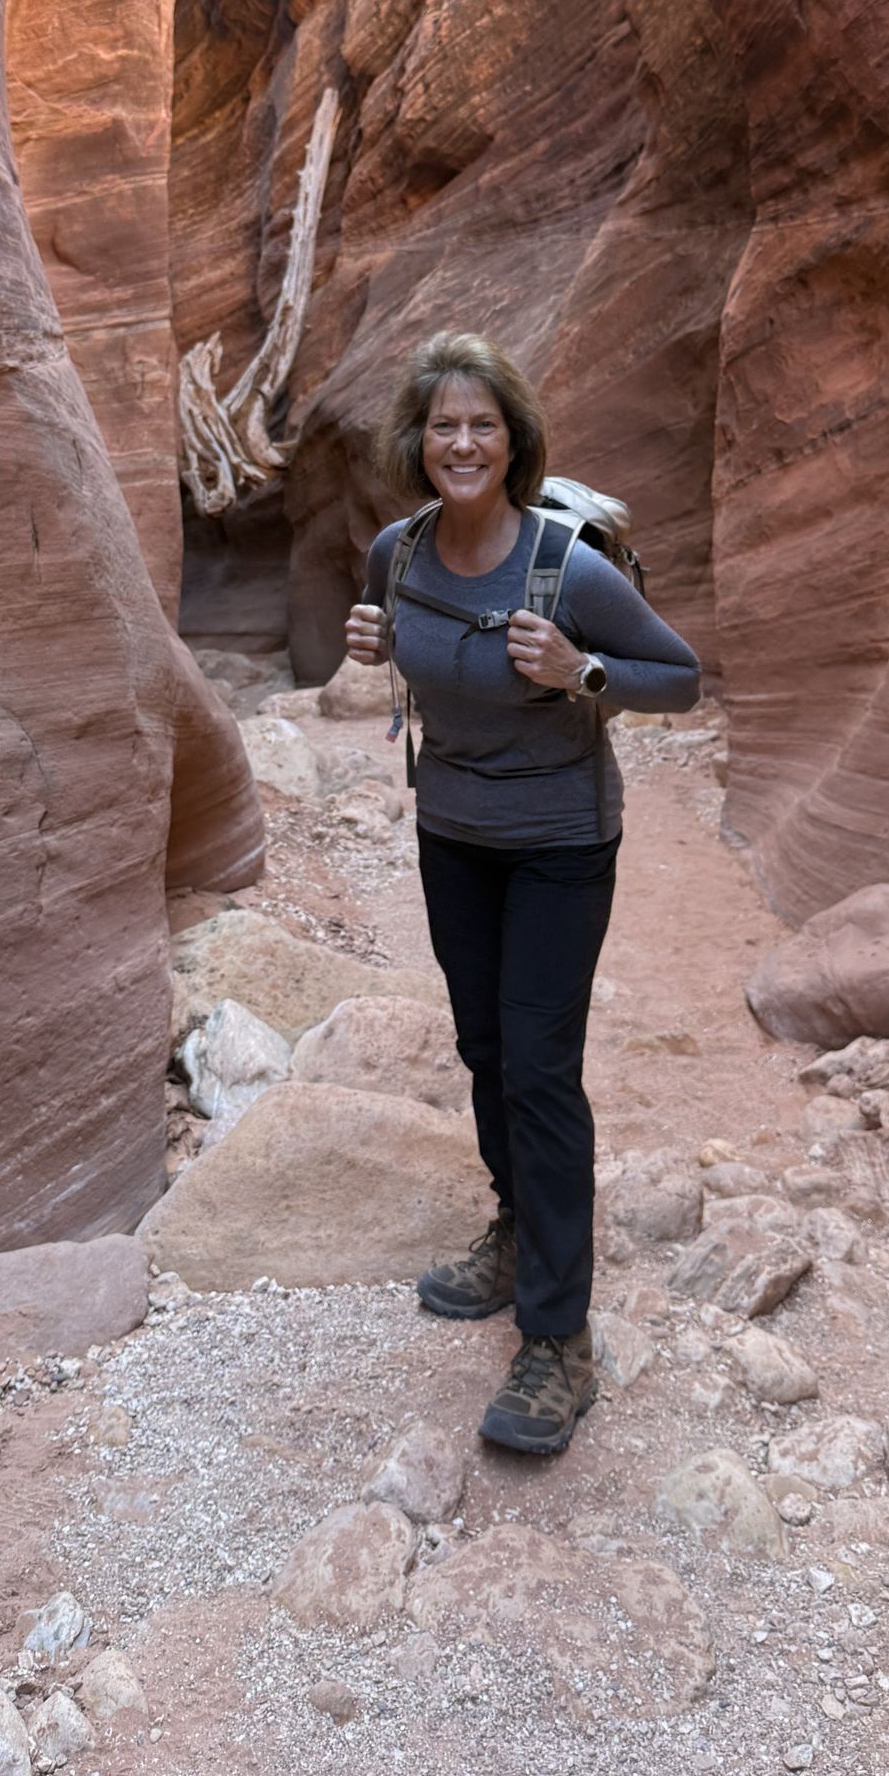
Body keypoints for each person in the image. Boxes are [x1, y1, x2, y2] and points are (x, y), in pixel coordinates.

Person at [343, 331, 701, 1454]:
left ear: (514, 442)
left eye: (482, 426)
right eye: (443, 425)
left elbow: (679, 676)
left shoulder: (566, 567)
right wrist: (372, 646)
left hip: (558, 845)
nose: (462, 442)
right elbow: (403, 652)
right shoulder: (396, 556)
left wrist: (579, 671)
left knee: (542, 1070)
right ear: (418, 440)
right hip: (454, 837)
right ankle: (515, 1228)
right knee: (487, 1049)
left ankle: (558, 1338)